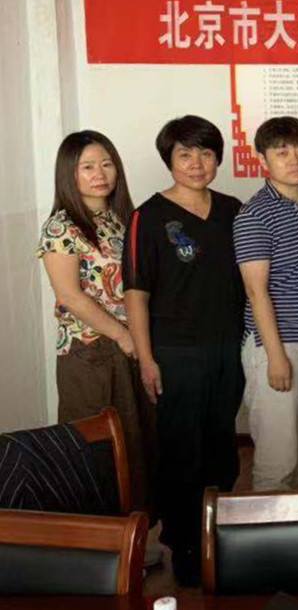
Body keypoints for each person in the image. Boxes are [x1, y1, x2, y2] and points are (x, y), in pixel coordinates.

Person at [123, 115, 245, 586]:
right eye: (185, 154)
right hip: (175, 352)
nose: (197, 164)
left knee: (222, 446)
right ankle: (185, 544)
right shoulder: (148, 216)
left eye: (206, 154)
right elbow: (136, 293)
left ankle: (217, 533)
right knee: (181, 450)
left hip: (227, 347)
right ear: (169, 160)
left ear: (218, 158)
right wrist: (146, 358)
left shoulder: (234, 210)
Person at [36, 131, 157, 517]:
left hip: (130, 347)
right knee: (96, 449)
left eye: (106, 164)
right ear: (68, 174)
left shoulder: (121, 219)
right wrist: (122, 335)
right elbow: (70, 295)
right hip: (89, 353)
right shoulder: (62, 227)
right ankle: (94, 536)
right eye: (87, 167)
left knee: (134, 444)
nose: (100, 174)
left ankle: (132, 534)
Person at [234, 117, 298, 492]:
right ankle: (268, 530)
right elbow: (256, 291)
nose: (294, 159)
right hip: (277, 346)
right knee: (277, 458)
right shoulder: (254, 215)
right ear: (263, 160)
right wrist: (276, 356)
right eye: (281, 152)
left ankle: (290, 523)